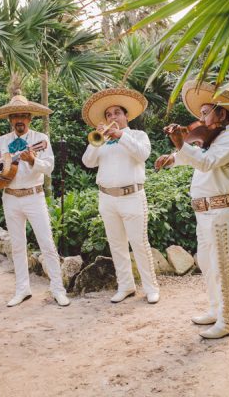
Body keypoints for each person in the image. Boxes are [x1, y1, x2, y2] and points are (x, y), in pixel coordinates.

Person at [155, 80, 229, 339]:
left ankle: (227, 320)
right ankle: (215, 309)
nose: (200, 119)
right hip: (205, 212)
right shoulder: (215, 137)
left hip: (223, 211)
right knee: (208, 264)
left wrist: (180, 145)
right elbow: (195, 152)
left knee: (222, 265)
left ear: (222, 113)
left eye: (205, 112)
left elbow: (207, 162)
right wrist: (172, 158)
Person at [0, 95, 69, 307]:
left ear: (29, 118)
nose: (19, 119)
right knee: (17, 246)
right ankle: (22, 289)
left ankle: (57, 289)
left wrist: (33, 159)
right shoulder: (2, 142)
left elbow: (49, 167)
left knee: (46, 243)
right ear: (10, 119)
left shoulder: (40, 139)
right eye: (15, 116)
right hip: (10, 198)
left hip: (34, 197)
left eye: (23, 116)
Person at [81, 88, 160, 304]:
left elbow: (143, 155)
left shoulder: (138, 136)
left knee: (139, 243)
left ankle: (151, 288)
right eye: (108, 115)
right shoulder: (101, 140)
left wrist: (121, 135)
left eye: (117, 113)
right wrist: (96, 140)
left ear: (126, 116)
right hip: (107, 199)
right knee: (116, 245)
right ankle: (125, 286)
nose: (112, 117)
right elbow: (88, 162)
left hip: (132, 196)